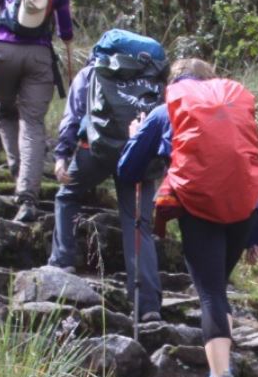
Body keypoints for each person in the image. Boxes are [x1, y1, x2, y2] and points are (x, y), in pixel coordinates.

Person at [126, 59, 258, 377]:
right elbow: (257, 169)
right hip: (243, 210)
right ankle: (220, 365)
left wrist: (135, 136)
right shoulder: (232, 108)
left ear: (173, 83)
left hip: (200, 209)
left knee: (210, 294)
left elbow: (128, 168)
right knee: (217, 287)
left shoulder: (167, 109)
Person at [48, 31, 168, 323]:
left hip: (96, 151)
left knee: (67, 196)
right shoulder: (152, 78)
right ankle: (148, 304)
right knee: (138, 223)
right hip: (137, 155)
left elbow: (73, 116)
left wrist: (63, 155)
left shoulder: (93, 72)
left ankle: (62, 262)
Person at [0, 0, 76, 225]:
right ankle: (27, 197)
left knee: (5, 110)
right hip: (39, 56)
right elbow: (65, 28)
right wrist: (70, 58)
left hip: (4, 53)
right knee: (33, 123)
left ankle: (17, 166)